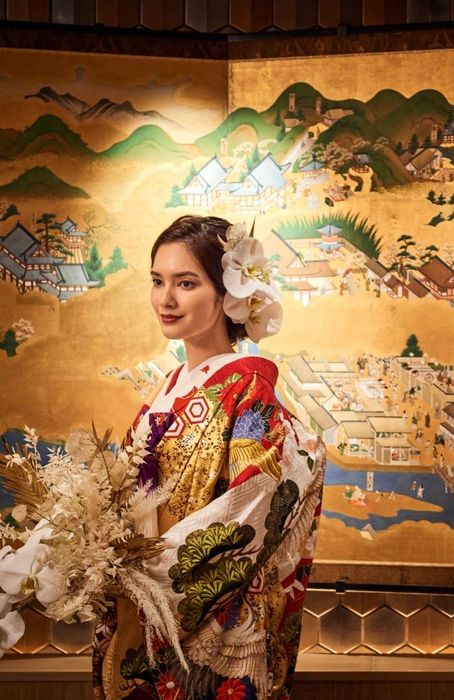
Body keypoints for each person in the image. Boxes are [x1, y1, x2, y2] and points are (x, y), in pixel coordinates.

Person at [93, 215, 325, 700]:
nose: (166, 299)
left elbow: (249, 511)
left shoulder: (249, 386)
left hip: (207, 623)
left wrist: (146, 578)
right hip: (139, 601)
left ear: (228, 295)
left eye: (186, 283)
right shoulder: (171, 384)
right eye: (157, 281)